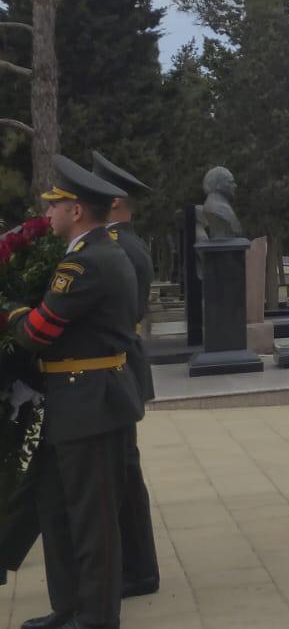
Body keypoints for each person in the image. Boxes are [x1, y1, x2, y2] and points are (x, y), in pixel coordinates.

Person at [7, 155, 143, 629]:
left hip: (89, 403)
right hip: (73, 401)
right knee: (58, 509)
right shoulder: (94, 253)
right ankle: (68, 607)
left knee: (92, 519)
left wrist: (10, 315)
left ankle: (97, 618)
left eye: (56, 205)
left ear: (77, 211)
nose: (49, 214)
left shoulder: (87, 263)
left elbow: (38, 331)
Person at [89, 152, 160, 599]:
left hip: (115, 368)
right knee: (124, 474)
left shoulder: (119, 248)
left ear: (113, 201)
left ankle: (137, 570)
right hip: (120, 367)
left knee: (123, 477)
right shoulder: (126, 243)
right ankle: (136, 568)